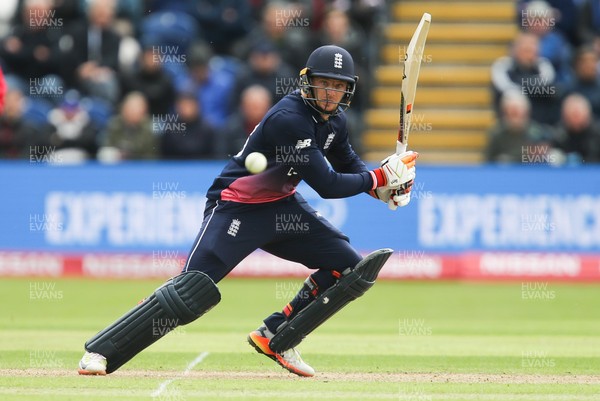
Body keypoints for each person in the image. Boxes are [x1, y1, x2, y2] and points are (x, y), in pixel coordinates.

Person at [77, 45, 418, 377]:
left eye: (339, 86)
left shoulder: (335, 121)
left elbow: (347, 164)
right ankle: (101, 351)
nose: (331, 93)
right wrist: (378, 177)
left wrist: (383, 189)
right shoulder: (291, 119)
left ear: (348, 90)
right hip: (236, 207)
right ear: (308, 81)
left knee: (347, 266)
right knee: (190, 292)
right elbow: (328, 185)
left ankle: (277, 335)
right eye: (325, 83)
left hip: (280, 207)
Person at [485, 89, 552, 163]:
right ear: (505, 112)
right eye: (512, 113)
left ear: (526, 112)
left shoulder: (537, 133)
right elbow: (488, 162)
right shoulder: (496, 133)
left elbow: (545, 159)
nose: (516, 117)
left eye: (518, 112)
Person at [552, 93, 600, 163]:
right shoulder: (559, 134)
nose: (575, 119)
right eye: (571, 115)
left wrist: (582, 160)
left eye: (577, 115)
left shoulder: (597, 133)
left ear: (587, 114)